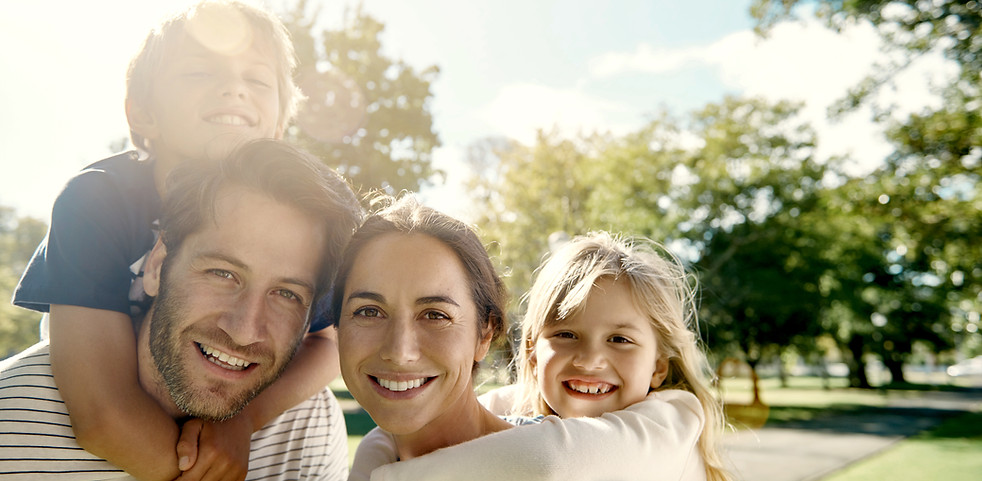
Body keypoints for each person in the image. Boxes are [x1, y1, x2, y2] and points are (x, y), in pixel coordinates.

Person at [9, 2, 338, 479]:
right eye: (201, 72)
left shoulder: (297, 226)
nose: (233, 88)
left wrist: (241, 420)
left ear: (278, 127)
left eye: (258, 80)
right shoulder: (96, 199)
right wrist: (196, 468)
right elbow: (103, 415)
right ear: (143, 113)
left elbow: (328, 344)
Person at [0, 139, 361, 480]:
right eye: (223, 273)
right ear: (156, 267)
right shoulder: (11, 423)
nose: (244, 330)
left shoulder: (307, 425)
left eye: (286, 294)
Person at [355, 231, 732, 481]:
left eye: (619, 339)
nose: (589, 360)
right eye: (566, 335)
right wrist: (379, 447)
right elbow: (399, 431)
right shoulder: (524, 407)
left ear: (659, 367)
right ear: (533, 355)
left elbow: (550, 462)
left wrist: (380, 472)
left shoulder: (675, 421)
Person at [330, 195, 515, 477]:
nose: (399, 351)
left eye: (435, 315)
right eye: (369, 312)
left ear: (485, 334)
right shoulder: (374, 462)